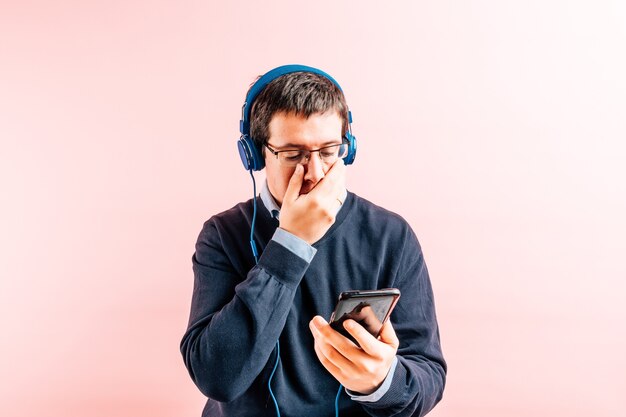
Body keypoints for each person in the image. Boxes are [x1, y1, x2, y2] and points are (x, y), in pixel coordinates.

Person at [180, 65, 446, 417]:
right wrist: (291, 242)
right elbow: (216, 377)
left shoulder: (390, 235)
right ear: (256, 155)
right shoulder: (222, 235)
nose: (316, 172)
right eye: (293, 155)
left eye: (328, 151)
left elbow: (428, 376)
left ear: (348, 150)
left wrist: (381, 381)